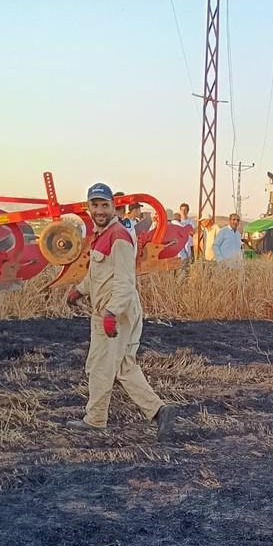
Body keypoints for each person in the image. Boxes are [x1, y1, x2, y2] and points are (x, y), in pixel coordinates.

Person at [65, 182, 175, 440]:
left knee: (100, 366)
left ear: (114, 207)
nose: (100, 210)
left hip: (116, 311)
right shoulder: (101, 235)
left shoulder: (119, 237)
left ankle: (95, 420)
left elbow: (125, 281)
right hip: (115, 309)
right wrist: (79, 290)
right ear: (89, 207)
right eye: (95, 205)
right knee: (124, 367)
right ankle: (159, 412)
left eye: (105, 205)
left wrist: (111, 313)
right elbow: (98, 274)